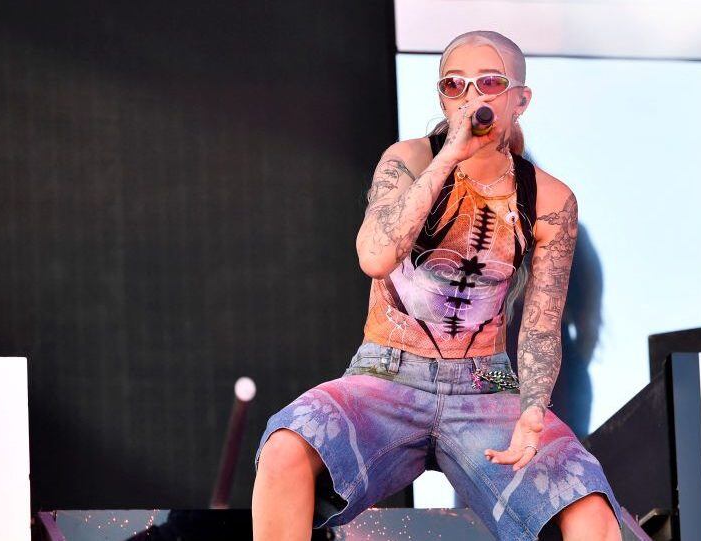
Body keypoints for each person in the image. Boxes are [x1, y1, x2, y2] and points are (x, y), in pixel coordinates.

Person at [251, 30, 624, 541]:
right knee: (285, 447)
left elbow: (542, 324)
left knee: (589, 512)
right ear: (442, 98)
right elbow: (375, 256)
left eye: (489, 83)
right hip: (386, 374)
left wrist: (533, 411)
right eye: (455, 84)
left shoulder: (550, 198)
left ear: (520, 100)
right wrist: (448, 156)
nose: (471, 96)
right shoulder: (407, 160)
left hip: (485, 386)